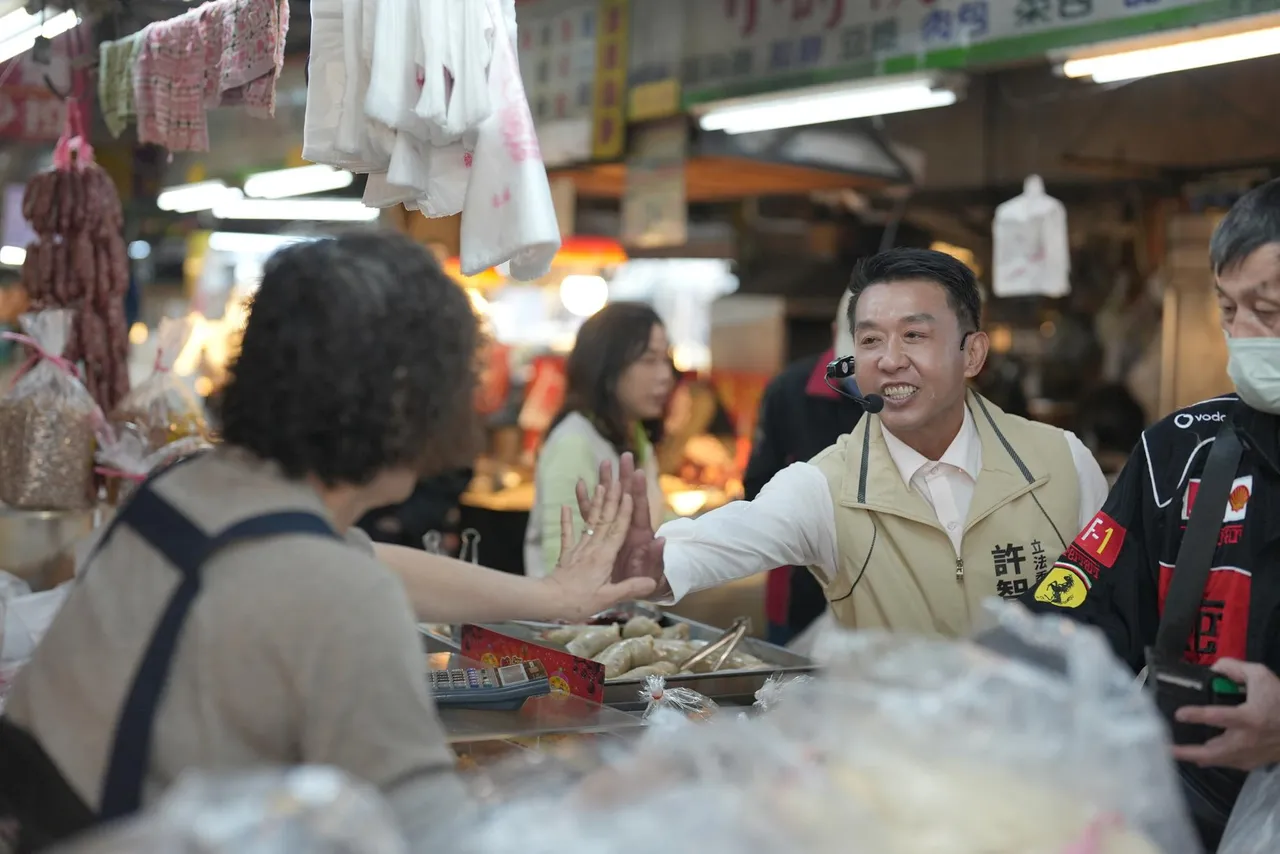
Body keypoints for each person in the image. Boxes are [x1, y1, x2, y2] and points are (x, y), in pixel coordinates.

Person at [0, 233, 651, 849]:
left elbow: (361, 563)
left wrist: (554, 597)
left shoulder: (186, 489)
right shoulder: (336, 596)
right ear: (406, 401)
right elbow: (431, 833)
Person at [583, 248, 1110, 638]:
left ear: (972, 355)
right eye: (871, 340)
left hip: (1048, 768)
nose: (889, 359)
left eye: (915, 336)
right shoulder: (826, 487)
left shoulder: (1061, 463)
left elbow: (1114, 613)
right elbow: (734, 532)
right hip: (897, 775)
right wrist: (656, 564)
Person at [1022, 178, 1280, 847]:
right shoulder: (1177, 453)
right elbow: (1083, 605)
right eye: (1229, 309)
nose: (1244, 336)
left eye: (1271, 309)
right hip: (1180, 807)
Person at [744, 290, 864, 646]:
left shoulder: (908, 391)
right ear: (834, 333)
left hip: (888, 596)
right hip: (801, 593)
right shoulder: (789, 391)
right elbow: (756, 487)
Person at [525, 301, 674, 577]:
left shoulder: (636, 436)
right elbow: (561, 560)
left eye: (666, 359)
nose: (665, 375)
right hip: (577, 617)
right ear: (607, 368)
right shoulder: (574, 442)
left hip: (622, 611)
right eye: (649, 360)